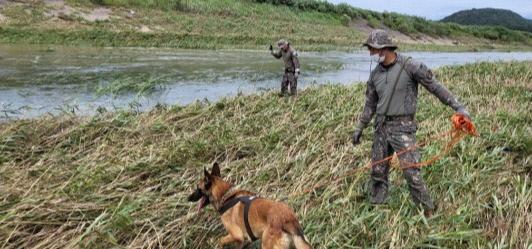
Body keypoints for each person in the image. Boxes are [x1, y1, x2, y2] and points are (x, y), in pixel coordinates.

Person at [352, 29, 471, 217]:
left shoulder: (410, 66)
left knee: (412, 173)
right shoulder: (374, 75)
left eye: (373, 50)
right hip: (381, 127)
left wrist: (458, 107)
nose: (370, 54)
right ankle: (377, 209)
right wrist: (360, 127)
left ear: (384, 49)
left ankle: (428, 212)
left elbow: (435, 87)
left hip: (403, 129)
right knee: (378, 171)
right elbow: (370, 104)